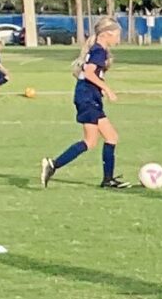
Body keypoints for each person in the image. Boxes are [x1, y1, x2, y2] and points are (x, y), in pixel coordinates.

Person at [41, 20, 126, 189]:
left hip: (89, 96)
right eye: (117, 35)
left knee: (107, 138)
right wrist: (107, 89)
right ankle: (53, 165)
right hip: (87, 98)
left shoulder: (97, 49)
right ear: (106, 34)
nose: (118, 39)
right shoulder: (99, 50)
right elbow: (88, 73)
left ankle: (107, 179)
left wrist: (99, 88)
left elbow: (90, 74)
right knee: (97, 140)